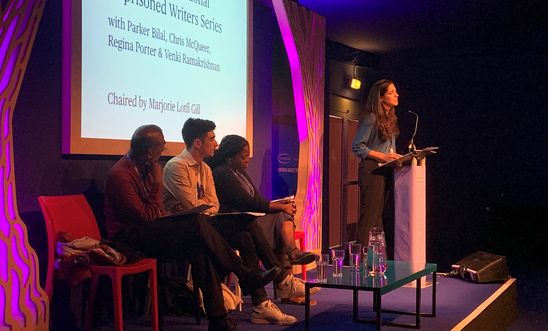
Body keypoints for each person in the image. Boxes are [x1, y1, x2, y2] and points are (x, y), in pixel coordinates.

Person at [104, 125, 278, 331]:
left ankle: (218, 320)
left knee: (199, 248)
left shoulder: (149, 167)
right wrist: (158, 183)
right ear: (149, 152)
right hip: (128, 239)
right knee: (197, 222)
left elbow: (160, 211)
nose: (165, 149)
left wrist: (160, 205)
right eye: (161, 146)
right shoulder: (121, 174)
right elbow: (146, 217)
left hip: (150, 231)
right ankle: (244, 273)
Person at [163, 118, 309, 325]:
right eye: (212, 139)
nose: (216, 143)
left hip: (208, 223)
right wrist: (205, 205)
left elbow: (212, 205)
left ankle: (261, 305)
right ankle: (278, 282)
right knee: (247, 223)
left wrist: (205, 205)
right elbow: (193, 208)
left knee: (245, 235)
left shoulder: (205, 169)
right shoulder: (177, 166)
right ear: (197, 142)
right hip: (185, 230)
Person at [206, 134, 315, 270]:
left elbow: (256, 198)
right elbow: (247, 202)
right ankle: (290, 259)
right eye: (243, 157)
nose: (247, 161)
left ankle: (290, 258)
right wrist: (280, 206)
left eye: (248, 156)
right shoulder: (221, 173)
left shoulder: (239, 172)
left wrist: (281, 205)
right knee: (280, 218)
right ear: (229, 158)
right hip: (236, 223)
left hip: (250, 218)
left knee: (281, 217)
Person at [351, 79, 402, 246]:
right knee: (370, 217)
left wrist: (397, 158)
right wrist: (382, 157)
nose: (396, 95)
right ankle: (359, 261)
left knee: (377, 218)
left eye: (395, 91)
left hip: (384, 170)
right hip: (372, 169)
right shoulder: (371, 118)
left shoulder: (390, 119)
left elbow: (390, 150)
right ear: (381, 98)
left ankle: (376, 261)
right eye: (391, 92)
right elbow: (357, 146)